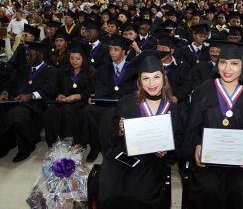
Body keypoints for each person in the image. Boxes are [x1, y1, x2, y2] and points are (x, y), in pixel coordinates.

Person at [181, 42, 243, 208]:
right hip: (209, 161)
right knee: (207, 189)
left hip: (241, 161)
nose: (227, 69)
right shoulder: (202, 91)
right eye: (223, 62)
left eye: (234, 63)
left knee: (242, 189)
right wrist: (196, 144)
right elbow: (192, 126)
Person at [97, 51, 184, 208]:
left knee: (140, 196)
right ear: (140, 81)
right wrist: (120, 129)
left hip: (153, 161)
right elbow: (110, 135)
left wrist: (167, 149)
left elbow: (178, 138)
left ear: (164, 78)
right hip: (125, 156)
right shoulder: (127, 102)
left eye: (156, 77)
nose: (152, 83)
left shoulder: (173, 108)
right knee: (112, 193)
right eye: (146, 78)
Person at [78, 34, 137, 162]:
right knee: (89, 110)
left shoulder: (133, 69)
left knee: (110, 115)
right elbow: (99, 89)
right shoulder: (103, 70)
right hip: (106, 103)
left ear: (124, 52)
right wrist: (95, 97)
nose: (112, 52)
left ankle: (111, 147)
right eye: (110, 49)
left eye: (116, 49)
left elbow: (133, 91)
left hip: (124, 105)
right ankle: (95, 146)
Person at [0, 42, 57, 162]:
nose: (27, 58)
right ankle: (6, 144)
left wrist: (31, 96)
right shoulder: (22, 69)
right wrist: (5, 93)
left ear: (40, 55)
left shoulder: (50, 70)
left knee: (18, 114)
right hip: (16, 102)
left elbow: (49, 89)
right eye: (26, 55)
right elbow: (10, 84)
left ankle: (26, 148)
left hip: (36, 106)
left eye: (31, 55)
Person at [44, 42, 94, 147]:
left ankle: (74, 143)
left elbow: (92, 91)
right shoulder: (64, 71)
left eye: (77, 58)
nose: (74, 61)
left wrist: (76, 96)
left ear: (84, 58)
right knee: (51, 110)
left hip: (82, 102)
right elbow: (57, 88)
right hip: (65, 101)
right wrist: (59, 94)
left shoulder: (91, 72)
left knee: (67, 110)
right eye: (72, 58)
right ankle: (54, 144)